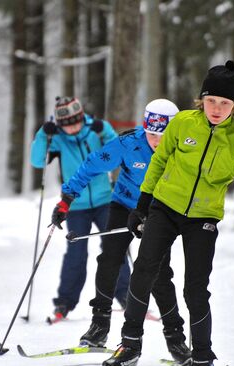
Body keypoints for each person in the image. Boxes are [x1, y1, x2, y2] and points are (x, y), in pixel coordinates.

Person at [105, 61, 234, 366]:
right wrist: (141, 207)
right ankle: (130, 346)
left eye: (224, 102)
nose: (216, 108)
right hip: (164, 207)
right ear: (201, 100)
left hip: (203, 218)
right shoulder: (181, 124)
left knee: (195, 289)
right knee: (144, 271)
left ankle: (202, 357)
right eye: (211, 101)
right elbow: (158, 162)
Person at [52, 99, 191, 365]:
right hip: (125, 205)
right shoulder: (128, 144)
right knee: (109, 259)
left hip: (160, 213)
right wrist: (67, 198)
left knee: (160, 274)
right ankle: (99, 326)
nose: (156, 141)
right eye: (151, 134)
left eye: (163, 135)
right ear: (144, 128)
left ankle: (176, 339)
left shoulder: (183, 149)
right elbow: (91, 165)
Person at [30, 96, 130, 320]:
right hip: (76, 205)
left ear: (81, 117)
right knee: (76, 253)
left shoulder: (95, 131)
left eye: (75, 122)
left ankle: (127, 296)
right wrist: (42, 135)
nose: (72, 129)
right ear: (60, 125)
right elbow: (37, 161)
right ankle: (64, 303)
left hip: (106, 200)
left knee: (115, 249)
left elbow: (119, 148)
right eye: (66, 125)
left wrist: (104, 128)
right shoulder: (57, 139)